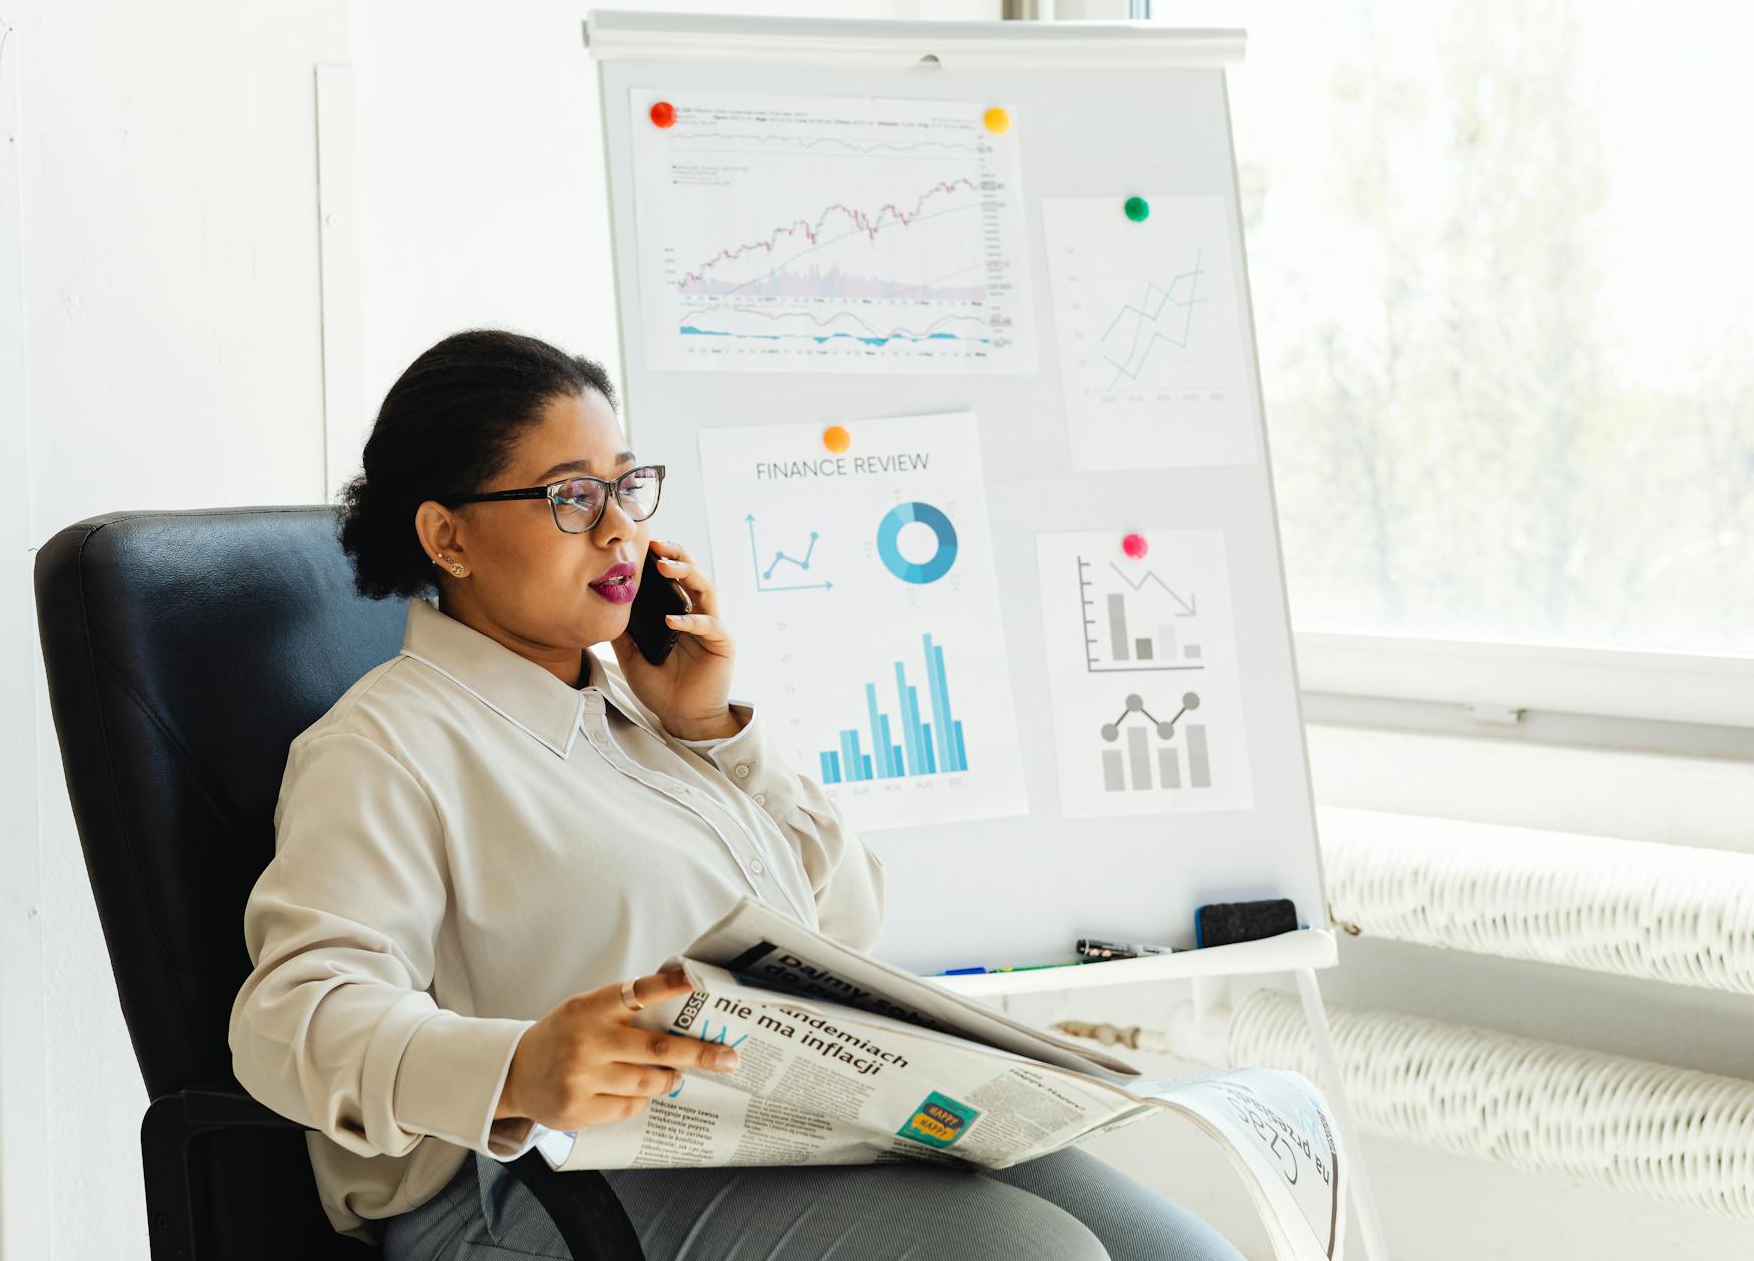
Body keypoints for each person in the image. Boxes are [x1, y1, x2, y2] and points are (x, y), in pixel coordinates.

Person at [227, 329, 1245, 1260]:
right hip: (527, 1178)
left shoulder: (645, 705)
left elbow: (846, 919)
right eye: (573, 497)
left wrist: (713, 731)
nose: (621, 531)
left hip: (762, 1125)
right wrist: (521, 1063)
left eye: (628, 486)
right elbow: (289, 1017)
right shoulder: (386, 744)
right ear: (448, 537)